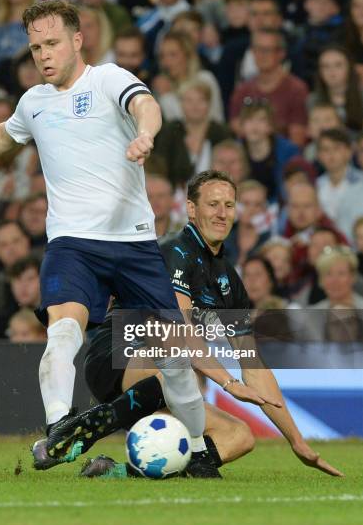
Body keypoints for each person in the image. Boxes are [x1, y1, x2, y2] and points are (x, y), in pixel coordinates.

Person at [0, 0, 215, 475]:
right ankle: (61, 429)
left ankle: (200, 450)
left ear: (77, 40)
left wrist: (145, 134)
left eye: (52, 43)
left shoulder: (107, 79)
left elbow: (147, 105)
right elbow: (6, 134)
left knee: (174, 360)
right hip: (72, 244)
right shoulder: (34, 102)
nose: (43, 54)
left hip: (134, 244)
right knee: (63, 332)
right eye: (35, 46)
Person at [39, 170, 343, 478]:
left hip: (168, 379)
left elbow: (253, 366)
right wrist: (228, 383)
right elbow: (180, 334)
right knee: (173, 356)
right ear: (192, 209)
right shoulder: (172, 252)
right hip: (119, 355)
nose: (222, 213)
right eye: (213, 204)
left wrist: (297, 441)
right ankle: (91, 426)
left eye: (228, 205)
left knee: (239, 437)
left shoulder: (229, 280)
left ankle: (114, 472)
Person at [229, 28, 309, 147]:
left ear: (281, 53)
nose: (261, 55)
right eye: (257, 50)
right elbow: (235, 127)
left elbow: (297, 141)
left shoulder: (297, 90)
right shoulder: (242, 90)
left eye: (267, 50)